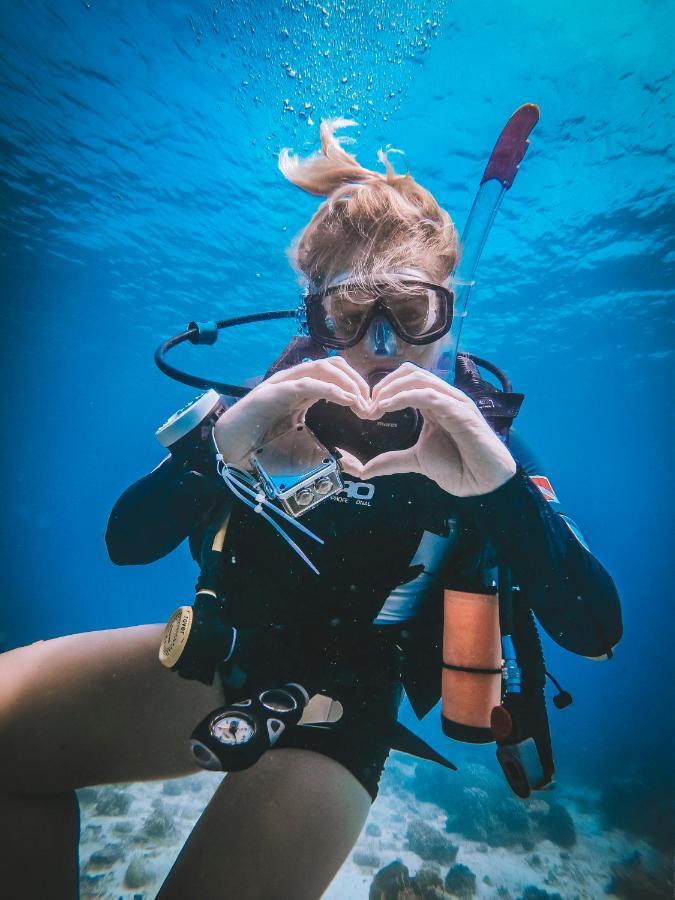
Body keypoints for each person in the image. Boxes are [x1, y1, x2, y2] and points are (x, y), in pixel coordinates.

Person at [0, 119, 622, 900]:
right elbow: (127, 543)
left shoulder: (482, 447)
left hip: (345, 715)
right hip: (220, 662)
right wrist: (217, 450)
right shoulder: (258, 414)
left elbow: (594, 632)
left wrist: (496, 490)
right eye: (348, 315)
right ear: (310, 315)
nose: (380, 345)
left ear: (448, 312)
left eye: (411, 313)